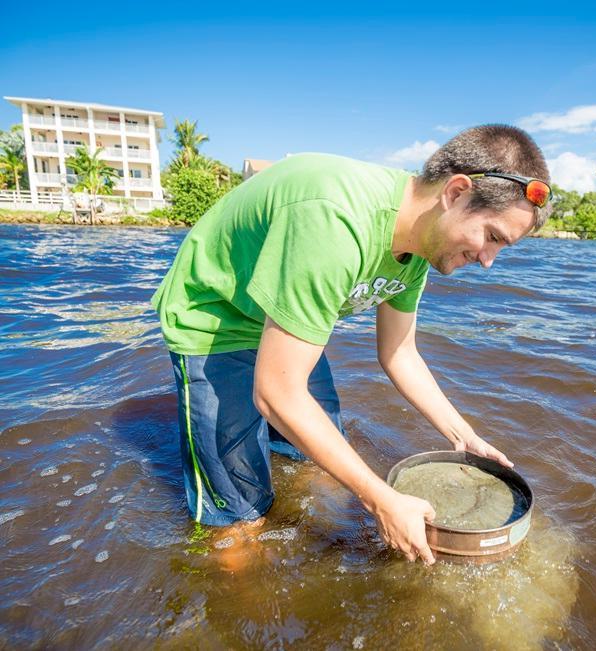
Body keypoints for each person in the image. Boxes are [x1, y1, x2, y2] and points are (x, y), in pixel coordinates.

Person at [152, 124, 551, 565]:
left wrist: (465, 436)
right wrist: (382, 500)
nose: (488, 261)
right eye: (492, 236)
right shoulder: (335, 219)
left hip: (283, 311)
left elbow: (399, 353)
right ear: (456, 193)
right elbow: (277, 392)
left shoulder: (420, 247)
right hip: (217, 316)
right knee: (240, 524)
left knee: (313, 465)